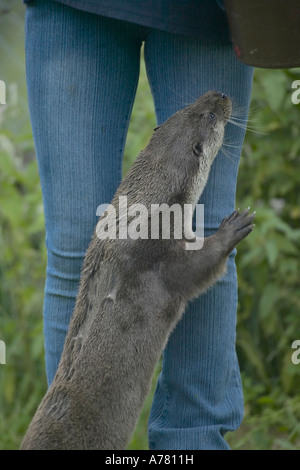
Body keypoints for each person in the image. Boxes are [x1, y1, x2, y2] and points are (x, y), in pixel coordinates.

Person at [24, 0, 253, 450]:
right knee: (78, 241)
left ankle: (193, 443)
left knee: (207, 228)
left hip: (205, 10)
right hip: (75, 9)